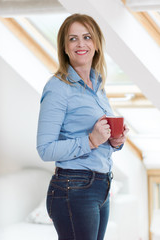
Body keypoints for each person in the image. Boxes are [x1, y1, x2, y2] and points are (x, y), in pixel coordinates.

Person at [36, 13, 129, 240]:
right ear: (64, 47)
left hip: (102, 184)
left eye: (87, 37)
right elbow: (45, 149)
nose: (81, 44)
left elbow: (100, 136)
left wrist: (114, 141)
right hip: (73, 188)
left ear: (95, 44)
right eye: (73, 39)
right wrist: (90, 141)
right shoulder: (58, 87)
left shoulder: (97, 84)